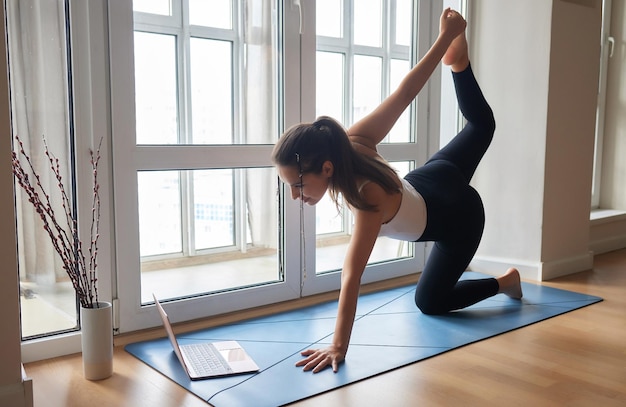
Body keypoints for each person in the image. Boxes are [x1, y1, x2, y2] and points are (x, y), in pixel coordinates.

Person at [271, 8, 523, 374]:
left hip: (458, 215)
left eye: (298, 185)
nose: (296, 196)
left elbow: (351, 275)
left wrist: (338, 345)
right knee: (482, 125)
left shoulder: (367, 196)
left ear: (325, 168)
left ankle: (505, 282)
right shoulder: (350, 141)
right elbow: (406, 91)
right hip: (430, 181)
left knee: (430, 301)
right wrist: (445, 38)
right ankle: (460, 62)